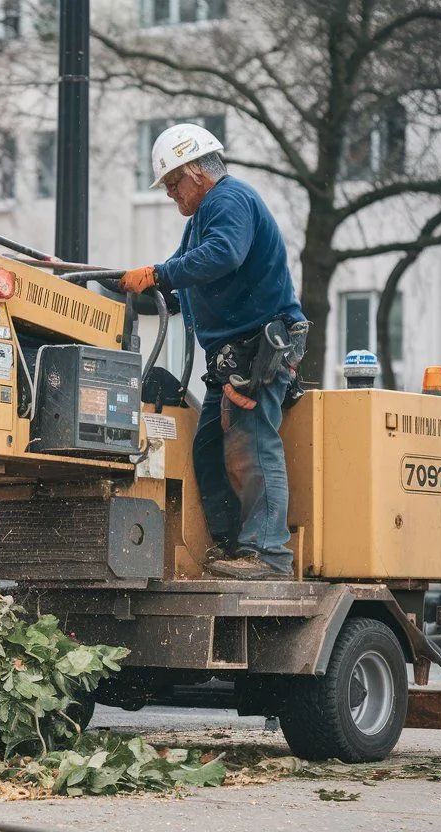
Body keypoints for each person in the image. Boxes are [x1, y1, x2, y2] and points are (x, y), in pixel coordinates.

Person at [119, 123, 308, 581]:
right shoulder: (203, 219)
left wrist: (161, 275)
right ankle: (231, 545)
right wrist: (127, 286)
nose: (170, 195)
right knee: (208, 448)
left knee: (253, 445)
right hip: (232, 360)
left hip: (257, 350)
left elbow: (222, 256)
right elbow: (193, 283)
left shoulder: (229, 200)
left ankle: (267, 553)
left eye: (171, 184)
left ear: (194, 174)